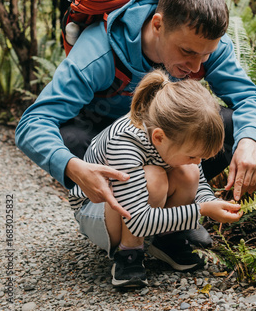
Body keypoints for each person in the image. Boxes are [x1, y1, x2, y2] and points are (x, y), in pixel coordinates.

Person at [15, 0, 256, 245]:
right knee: (70, 138)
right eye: (187, 52)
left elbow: (248, 98)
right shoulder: (97, 53)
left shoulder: (204, 43)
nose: (195, 68)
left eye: (204, 57)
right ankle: (118, 221)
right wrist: (73, 167)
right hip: (106, 142)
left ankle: (173, 218)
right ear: (158, 25)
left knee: (228, 126)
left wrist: (250, 143)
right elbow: (33, 123)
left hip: (164, 139)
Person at [69, 69, 243, 287]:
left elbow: (198, 179)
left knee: (188, 172)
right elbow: (139, 220)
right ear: (158, 137)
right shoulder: (124, 142)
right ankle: (129, 254)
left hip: (131, 208)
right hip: (96, 212)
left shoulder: (172, 136)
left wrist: (211, 201)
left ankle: (168, 240)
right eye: (192, 154)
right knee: (154, 178)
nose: (198, 160)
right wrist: (201, 211)